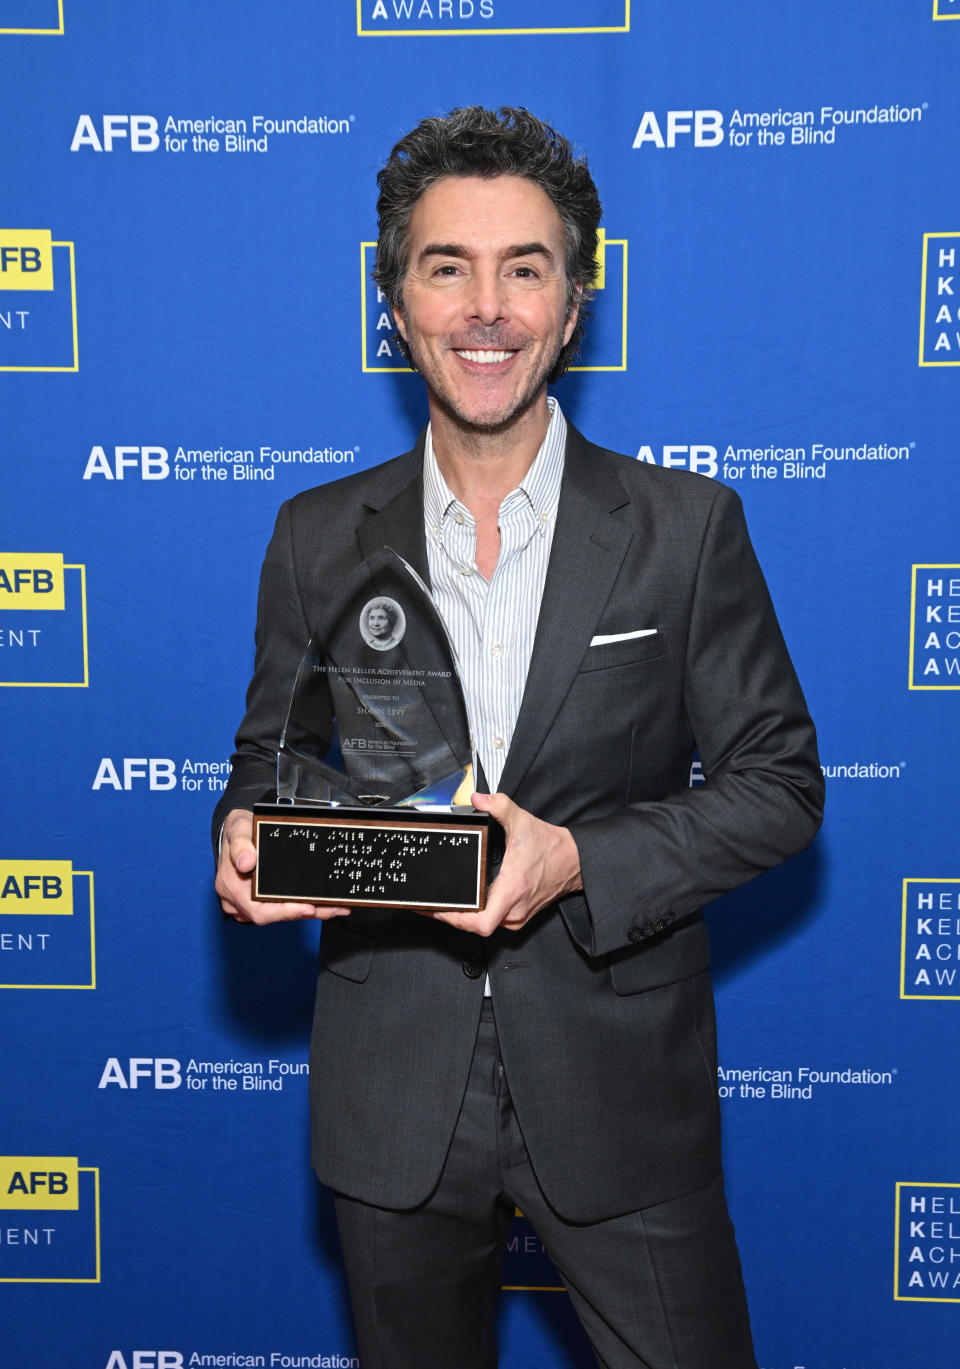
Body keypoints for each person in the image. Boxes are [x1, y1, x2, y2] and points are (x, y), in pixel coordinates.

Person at [214, 106, 824, 1369]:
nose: (485, 308)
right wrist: (243, 832)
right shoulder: (316, 537)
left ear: (574, 301)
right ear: (396, 303)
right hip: (395, 1101)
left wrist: (578, 861)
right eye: (448, 267)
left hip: (620, 1094)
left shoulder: (686, 527)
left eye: (523, 268)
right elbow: (274, 766)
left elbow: (781, 786)